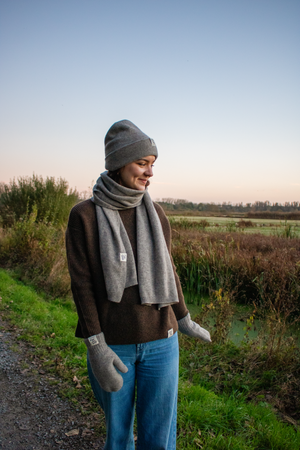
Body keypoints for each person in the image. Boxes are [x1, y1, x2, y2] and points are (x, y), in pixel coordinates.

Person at [66, 120, 211, 450]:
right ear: (119, 163)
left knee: (159, 439)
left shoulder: (156, 213)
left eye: (152, 165)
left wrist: (184, 317)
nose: (149, 173)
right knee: (118, 437)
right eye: (142, 163)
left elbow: (168, 270)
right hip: (113, 345)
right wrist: (96, 346)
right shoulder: (84, 216)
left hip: (162, 340)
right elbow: (82, 285)